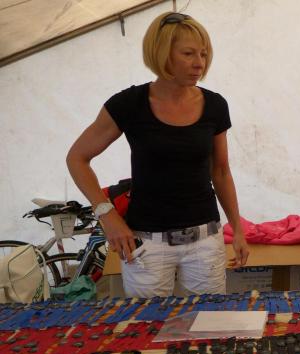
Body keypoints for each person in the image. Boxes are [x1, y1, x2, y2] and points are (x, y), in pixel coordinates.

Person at [66, 12, 248, 298]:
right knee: (148, 323)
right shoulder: (128, 104)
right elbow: (77, 158)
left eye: (203, 54)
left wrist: (237, 228)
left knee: (208, 321)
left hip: (205, 241)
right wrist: (107, 215)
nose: (199, 63)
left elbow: (221, 171)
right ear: (162, 53)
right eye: (188, 53)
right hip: (147, 244)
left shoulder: (215, 105)